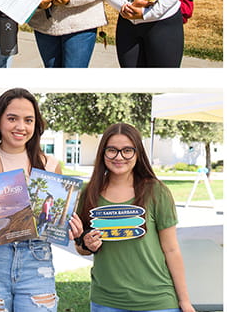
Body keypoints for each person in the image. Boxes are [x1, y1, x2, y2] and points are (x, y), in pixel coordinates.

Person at [0, 88, 74, 311]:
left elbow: (53, 222)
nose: (21, 127)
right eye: (12, 118)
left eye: (28, 120)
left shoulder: (50, 165)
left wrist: (64, 225)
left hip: (36, 260)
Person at [71, 124, 192, 312]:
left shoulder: (156, 191)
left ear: (138, 153)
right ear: (103, 153)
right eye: (112, 150)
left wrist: (184, 302)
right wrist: (86, 244)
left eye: (127, 150)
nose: (119, 157)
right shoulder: (89, 193)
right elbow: (81, 246)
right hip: (106, 302)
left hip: (157, 301)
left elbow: (171, 249)